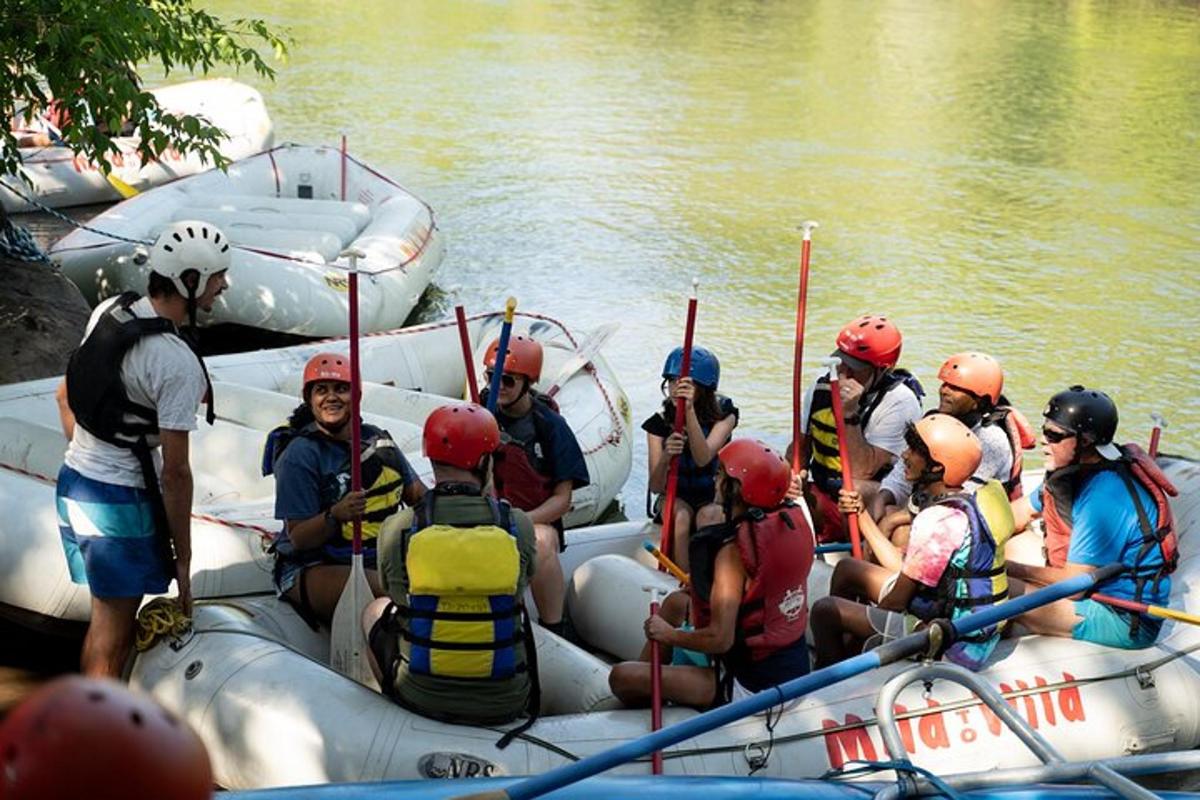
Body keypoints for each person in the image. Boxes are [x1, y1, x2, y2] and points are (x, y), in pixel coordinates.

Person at [55, 220, 230, 678]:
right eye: (217, 277)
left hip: (75, 482)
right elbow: (175, 474)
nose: (224, 286)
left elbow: (65, 393)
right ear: (188, 281)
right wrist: (185, 561)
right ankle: (96, 739)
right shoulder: (174, 363)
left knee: (104, 624)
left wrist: (92, 456)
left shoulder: (112, 310)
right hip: (119, 501)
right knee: (113, 637)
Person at [363, 403, 538, 727]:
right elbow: (520, 587)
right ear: (485, 461)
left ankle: (393, 707)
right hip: (508, 699)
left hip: (420, 696)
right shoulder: (517, 524)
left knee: (374, 611)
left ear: (431, 458)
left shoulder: (399, 527)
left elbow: (396, 593)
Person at [609, 439, 813, 709]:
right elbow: (757, 590)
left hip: (752, 686)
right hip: (793, 667)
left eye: (721, 475)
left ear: (738, 489)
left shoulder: (732, 553)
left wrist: (668, 635)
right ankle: (652, 678)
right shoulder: (789, 524)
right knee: (674, 603)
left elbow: (720, 639)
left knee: (621, 676)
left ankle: (645, 699)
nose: (715, 480)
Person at [811, 414, 1011, 671]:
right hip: (964, 623)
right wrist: (861, 514)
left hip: (949, 640)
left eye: (915, 450)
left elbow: (897, 602)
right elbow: (911, 572)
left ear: (937, 466)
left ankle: (830, 681)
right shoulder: (968, 501)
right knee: (848, 569)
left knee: (826, 611)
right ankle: (847, 653)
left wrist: (860, 624)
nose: (904, 455)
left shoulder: (937, 520)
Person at [1007, 387, 1177, 649]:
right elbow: (1016, 515)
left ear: (1085, 441)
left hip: (1119, 616)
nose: (1043, 440)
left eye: (1055, 435)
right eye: (1044, 430)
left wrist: (1006, 568)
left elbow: (1075, 585)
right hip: (1089, 588)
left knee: (993, 586)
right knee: (1006, 543)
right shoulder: (1074, 473)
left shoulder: (1104, 496)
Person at [263, 352, 425, 626]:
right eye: (321, 390)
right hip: (312, 565)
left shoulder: (377, 440)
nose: (331, 397)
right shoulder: (299, 455)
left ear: (356, 396)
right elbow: (300, 538)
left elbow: (418, 495)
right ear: (309, 399)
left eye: (341, 389)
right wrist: (336, 514)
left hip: (376, 556)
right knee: (398, 591)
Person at [481, 334, 589, 637]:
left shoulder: (549, 425)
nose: (498, 386)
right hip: (487, 513)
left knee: (539, 542)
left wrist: (519, 521)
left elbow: (562, 499)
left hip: (535, 519)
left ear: (528, 383)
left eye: (509, 380)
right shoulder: (479, 412)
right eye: (493, 377)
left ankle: (555, 626)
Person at [871, 352, 1035, 547]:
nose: (944, 391)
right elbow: (901, 473)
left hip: (965, 520)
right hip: (927, 501)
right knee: (868, 497)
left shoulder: (991, 439)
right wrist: (883, 498)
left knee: (902, 529)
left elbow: (959, 504)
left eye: (956, 388)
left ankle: (898, 574)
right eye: (944, 384)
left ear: (979, 401)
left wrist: (893, 520)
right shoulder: (935, 423)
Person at [799, 314, 923, 542]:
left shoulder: (900, 401)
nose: (844, 373)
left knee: (851, 487)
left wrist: (849, 413)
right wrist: (793, 476)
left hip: (872, 488)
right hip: (824, 482)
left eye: (855, 368)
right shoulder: (821, 385)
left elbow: (861, 469)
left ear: (881, 370)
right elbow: (800, 445)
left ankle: (858, 553)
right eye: (840, 362)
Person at [643, 346, 739, 571]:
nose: (677, 388)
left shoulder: (725, 415)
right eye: (672, 381)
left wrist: (688, 413)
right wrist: (666, 456)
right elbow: (656, 485)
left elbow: (703, 457)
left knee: (710, 515)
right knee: (682, 517)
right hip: (676, 496)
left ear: (704, 388)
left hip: (711, 494)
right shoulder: (658, 424)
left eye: (686, 383)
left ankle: (709, 576)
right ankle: (684, 580)